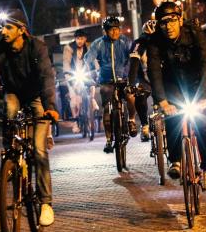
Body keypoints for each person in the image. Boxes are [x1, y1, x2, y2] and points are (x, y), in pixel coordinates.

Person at [0, 11, 60, 226]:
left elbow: (47, 77)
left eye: (8, 27)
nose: (3, 31)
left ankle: (46, 203)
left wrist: (51, 108)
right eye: (2, 27)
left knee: (38, 151)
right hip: (13, 94)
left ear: (21, 30)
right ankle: (11, 157)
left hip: (37, 96)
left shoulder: (37, 47)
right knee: (9, 111)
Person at [145, 1, 206, 191]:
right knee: (173, 119)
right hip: (172, 84)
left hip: (195, 83)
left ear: (180, 20)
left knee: (201, 122)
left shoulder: (194, 32)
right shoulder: (155, 41)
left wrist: (203, 96)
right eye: (163, 23)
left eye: (171, 21)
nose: (168, 27)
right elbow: (154, 71)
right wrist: (162, 100)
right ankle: (175, 160)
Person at [84, 16, 138, 153]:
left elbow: (134, 56)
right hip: (105, 80)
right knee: (106, 110)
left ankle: (131, 120)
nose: (115, 32)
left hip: (124, 79)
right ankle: (109, 139)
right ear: (105, 31)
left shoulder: (125, 41)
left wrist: (133, 74)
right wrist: (91, 74)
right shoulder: (98, 44)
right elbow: (88, 58)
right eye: (111, 30)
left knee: (131, 96)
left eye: (117, 29)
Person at [127, 18, 157, 142]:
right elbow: (134, 63)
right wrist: (131, 83)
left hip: (162, 77)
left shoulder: (165, 42)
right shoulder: (139, 43)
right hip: (145, 78)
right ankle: (144, 126)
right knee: (139, 93)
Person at [61, 29, 93, 121]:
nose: (80, 41)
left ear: (85, 39)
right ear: (75, 39)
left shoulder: (89, 47)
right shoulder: (69, 47)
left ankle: (90, 111)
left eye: (82, 39)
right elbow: (66, 62)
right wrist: (67, 75)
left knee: (92, 91)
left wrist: (98, 70)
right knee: (74, 99)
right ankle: (75, 119)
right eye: (78, 39)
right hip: (72, 75)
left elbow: (94, 60)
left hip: (85, 74)